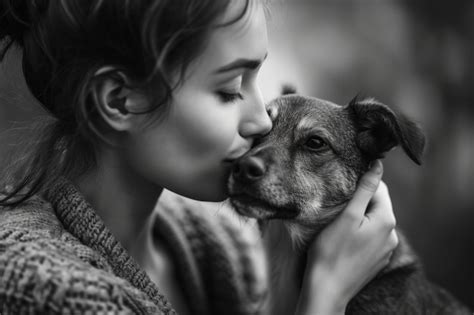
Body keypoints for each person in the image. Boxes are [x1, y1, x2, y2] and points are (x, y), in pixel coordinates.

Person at [0, 1, 398, 314]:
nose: (261, 121)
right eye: (228, 90)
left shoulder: (220, 249)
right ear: (119, 101)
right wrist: (327, 295)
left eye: (256, 78)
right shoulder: (42, 284)